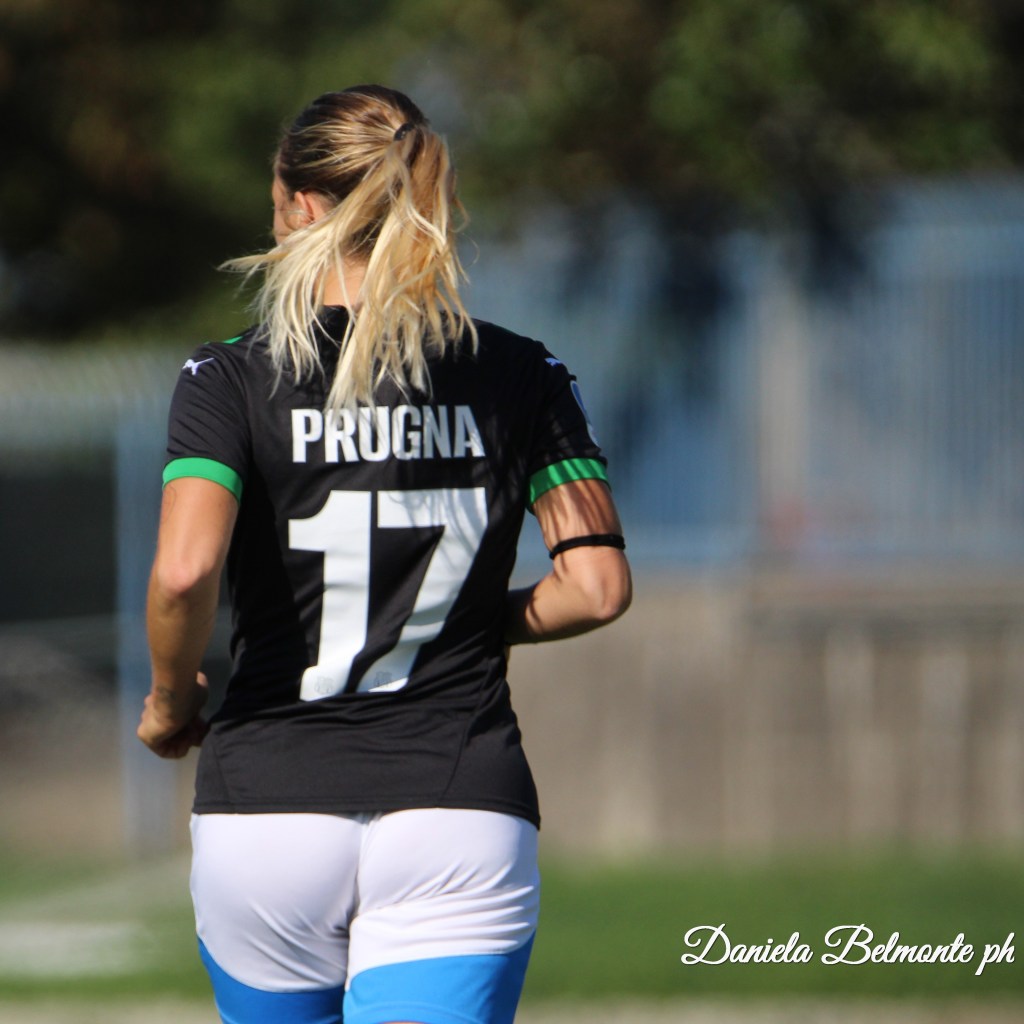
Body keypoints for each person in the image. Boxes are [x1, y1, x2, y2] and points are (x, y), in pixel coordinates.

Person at [137, 84, 631, 1024]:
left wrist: (168, 701)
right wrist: (461, 619)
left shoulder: (228, 375)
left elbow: (184, 571)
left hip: (267, 808)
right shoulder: (522, 371)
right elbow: (596, 587)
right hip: (459, 804)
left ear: (302, 207)